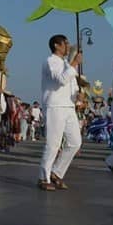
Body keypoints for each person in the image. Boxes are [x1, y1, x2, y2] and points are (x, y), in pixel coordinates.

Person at [38, 35, 81, 191]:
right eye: (66, 43)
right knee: (53, 144)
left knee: (75, 142)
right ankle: (43, 177)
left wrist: (78, 95)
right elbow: (61, 80)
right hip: (54, 106)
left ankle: (57, 172)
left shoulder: (65, 63)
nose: (68, 46)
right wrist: (75, 63)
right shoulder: (51, 61)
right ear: (57, 45)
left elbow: (72, 85)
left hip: (68, 106)